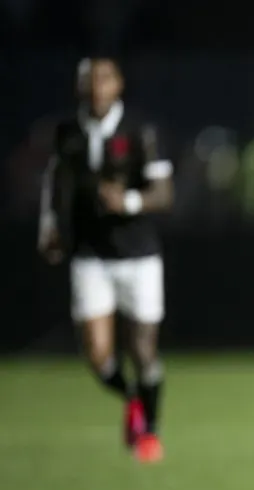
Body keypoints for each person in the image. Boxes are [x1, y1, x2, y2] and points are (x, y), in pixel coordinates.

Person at [38, 57, 174, 463]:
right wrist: (49, 226)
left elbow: (164, 194)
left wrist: (128, 200)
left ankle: (148, 431)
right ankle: (134, 399)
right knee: (97, 354)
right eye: (88, 80)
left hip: (139, 254)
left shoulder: (141, 130)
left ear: (118, 85)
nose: (96, 87)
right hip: (90, 253)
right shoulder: (68, 132)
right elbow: (55, 182)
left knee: (143, 352)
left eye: (103, 79)